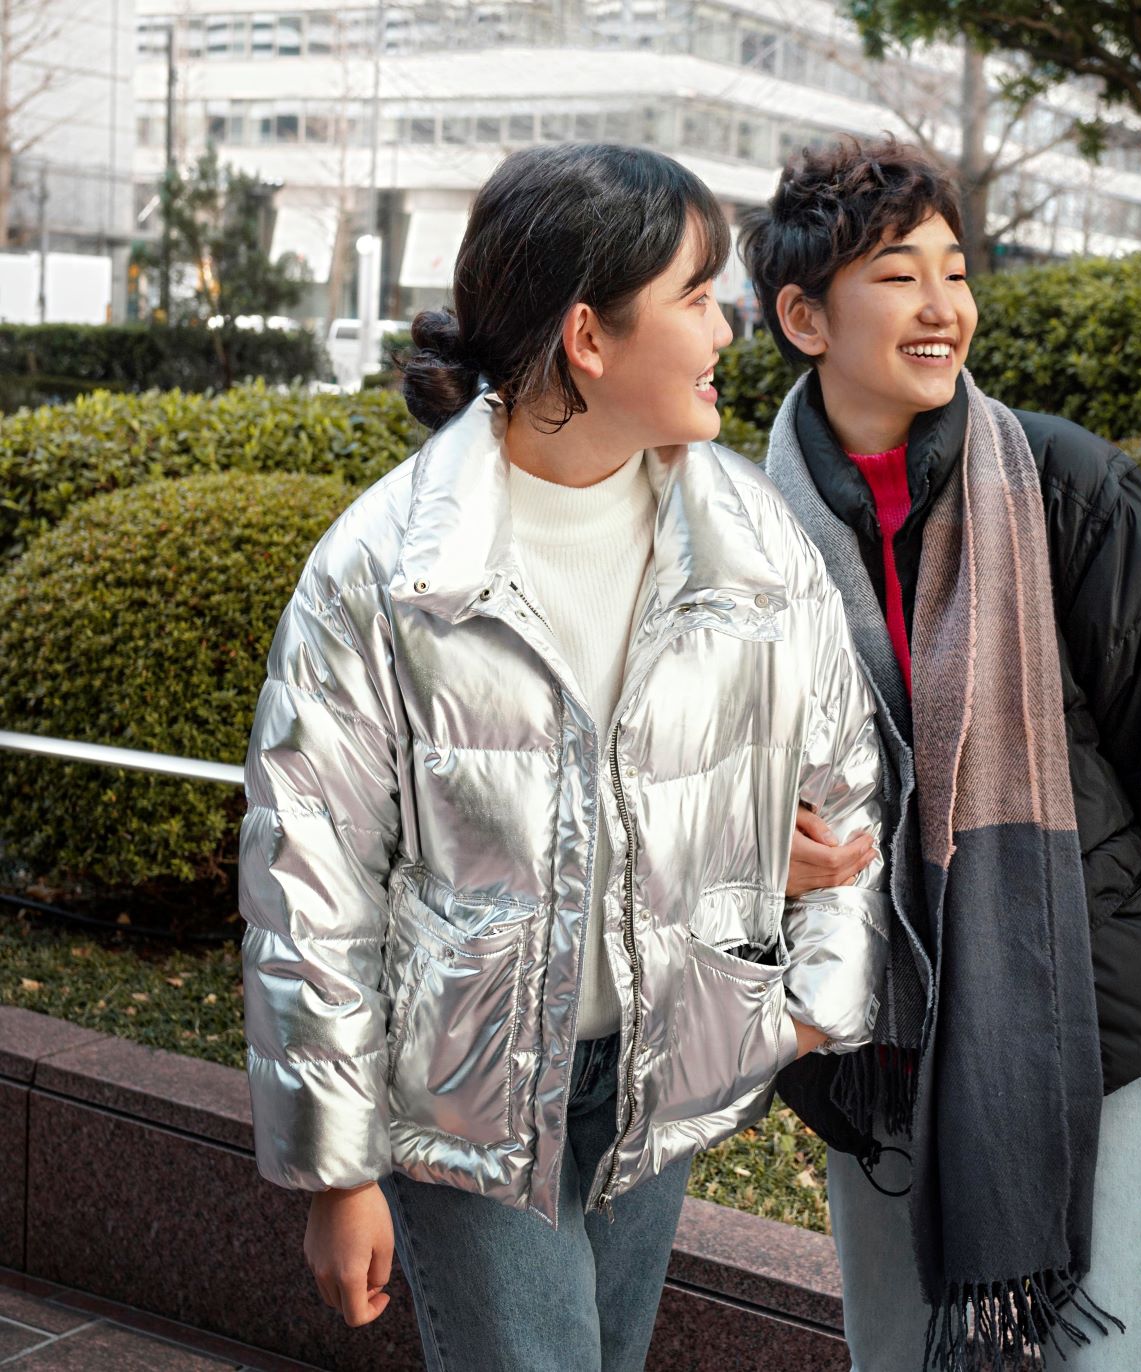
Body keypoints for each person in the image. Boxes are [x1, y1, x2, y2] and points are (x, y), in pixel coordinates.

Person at [238, 142, 885, 1372]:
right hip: (464, 1095)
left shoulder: (752, 542)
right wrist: (337, 1168)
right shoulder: (386, 567)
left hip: (662, 1077)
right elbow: (307, 880)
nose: (728, 331)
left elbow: (842, 792)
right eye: (698, 297)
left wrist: (810, 1003)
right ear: (591, 337)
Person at [737, 136, 1141, 1371]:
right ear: (802, 315)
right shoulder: (739, 529)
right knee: (897, 1347)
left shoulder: (1059, 482)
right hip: (868, 1010)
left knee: (1099, 1352)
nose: (944, 308)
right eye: (898, 276)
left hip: (1082, 995)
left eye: (958, 271)